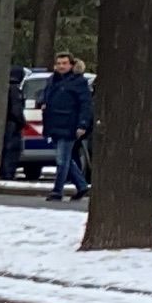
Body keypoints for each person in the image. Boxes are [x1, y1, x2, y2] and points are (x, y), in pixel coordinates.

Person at [41, 52, 95, 200]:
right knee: (66, 159)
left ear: (71, 65)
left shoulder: (79, 82)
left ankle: (57, 190)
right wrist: (43, 103)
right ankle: (82, 185)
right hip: (53, 124)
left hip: (69, 125)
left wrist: (82, 124)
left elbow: (85, 105)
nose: (61, 66)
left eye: (64, 63)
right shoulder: (52, 80)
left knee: (62, 160)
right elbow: (45, 96)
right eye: (59, 63)